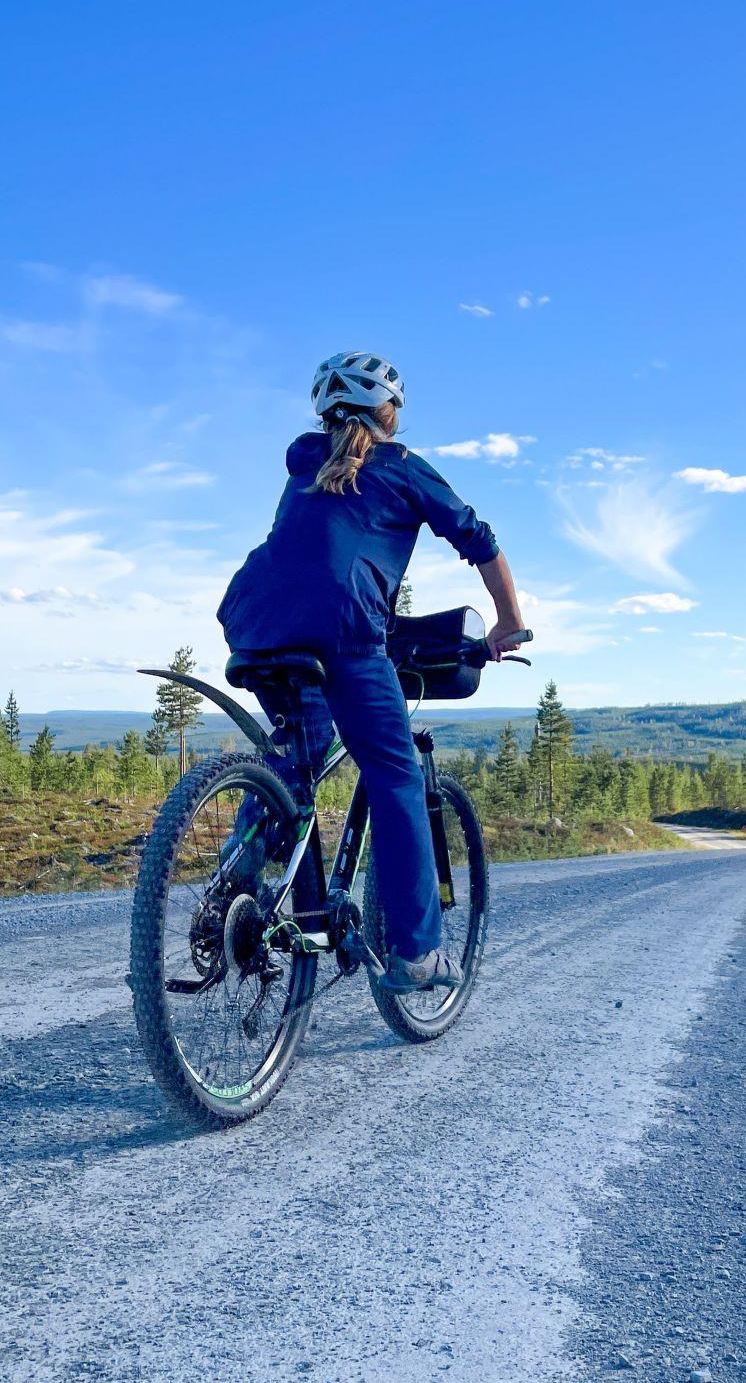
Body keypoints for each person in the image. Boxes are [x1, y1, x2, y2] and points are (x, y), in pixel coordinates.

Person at [218, 351, 528, 994]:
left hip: (256, 621)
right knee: (396, 776)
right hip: (345, 633)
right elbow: (479, 539)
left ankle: (238, 875)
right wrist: (507, 622)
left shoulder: (305, 460)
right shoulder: (401, 465)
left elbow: (320, 553)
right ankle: (416, 953)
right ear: (389, 411)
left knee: (297, 754)